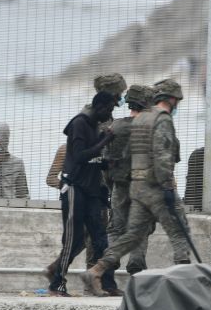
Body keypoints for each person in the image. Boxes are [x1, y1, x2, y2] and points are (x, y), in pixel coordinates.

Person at [82, 79, 191, 294]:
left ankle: (97, 269)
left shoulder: (126, 124)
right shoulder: (159, 120)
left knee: (130, 233)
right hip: (155, 184)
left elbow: (120, 157)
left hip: (129, 185)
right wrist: (167, 187)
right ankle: (185, 281)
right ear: (171, 99)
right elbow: (166, 155)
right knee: (179, 230)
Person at [49, 92, 116, 297]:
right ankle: (57, 283)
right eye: (109, 108)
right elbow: (79, 156)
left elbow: (93, 160)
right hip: (75, 189)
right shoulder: (79, 124)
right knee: (73, 239)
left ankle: (106, 283)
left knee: (100, 239)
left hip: (92, 192)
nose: (111, 113)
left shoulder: (95, 127)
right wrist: (104, 141)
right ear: (99, 106)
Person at [105, 84, 153, 274]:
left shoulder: (115, 126)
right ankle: (136, 261)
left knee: (115, 227)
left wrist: (112, 184)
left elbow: (106, 158)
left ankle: (112, 258)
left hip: (119, 184)